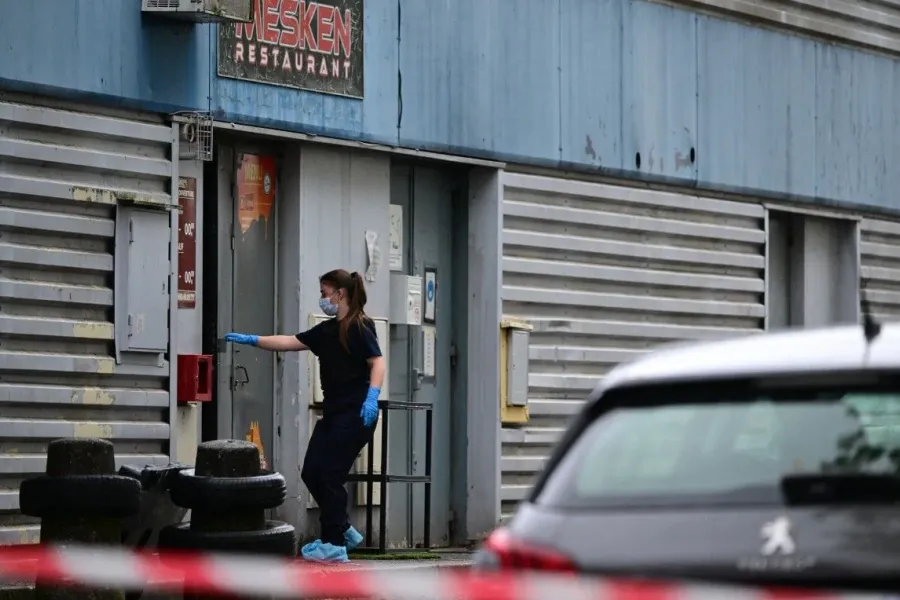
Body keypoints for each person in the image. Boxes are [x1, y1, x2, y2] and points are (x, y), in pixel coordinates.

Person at [223, 269, 385, 563]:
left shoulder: (360, 326)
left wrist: (372, 396)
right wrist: (252, 340)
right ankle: (344, 529)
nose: (322, 299)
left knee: (331, 475)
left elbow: (377, 362)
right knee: (312, 471)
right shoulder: (325, 332)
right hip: (334, 414)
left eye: (324, 293)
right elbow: (289, 341)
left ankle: (334, 543)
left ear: (341, 294)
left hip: (358, 414)